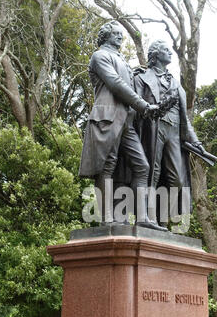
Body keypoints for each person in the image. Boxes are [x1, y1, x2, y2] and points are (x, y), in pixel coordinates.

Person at [79, 22, 165, 230]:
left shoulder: (122, 61)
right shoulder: (100, 56)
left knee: (142, 166)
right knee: (106, 167)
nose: (120, 37)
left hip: (126, 120)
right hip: (107, 118)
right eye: (116, 33)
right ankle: (106, 218)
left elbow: (127, 82)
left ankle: (143, 218)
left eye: (121, 34)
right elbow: (116, 84)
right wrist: (144, 105)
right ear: (105, 36)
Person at [134, 40, 207, 226]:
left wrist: (195, 141)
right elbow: (135, 106)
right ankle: (151, 219)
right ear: (156, 54)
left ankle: (163, 218)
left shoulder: (176, 83)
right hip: (153, 128)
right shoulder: (142, 77)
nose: (171, 53)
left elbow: (185, 118)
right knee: (152, 174)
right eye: (166, 50)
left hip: (174, 131)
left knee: (177, 179)